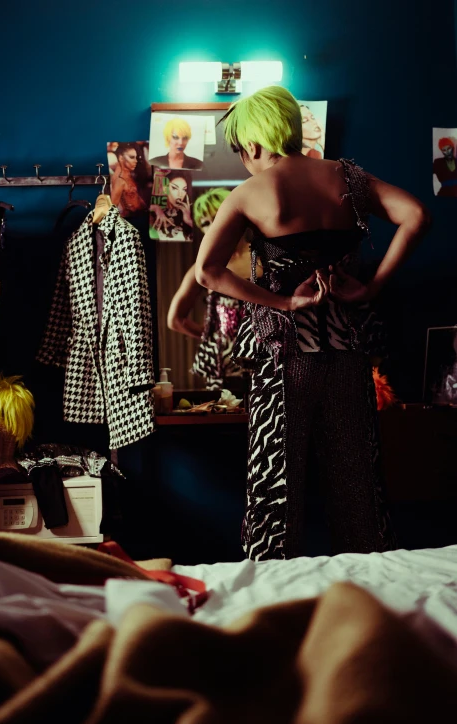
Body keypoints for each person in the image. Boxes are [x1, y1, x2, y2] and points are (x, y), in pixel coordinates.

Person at [195, 85, 431, 561]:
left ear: (256, 143)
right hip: (348, 352)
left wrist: (281, 303)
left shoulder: (251, 193)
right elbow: (415, 215)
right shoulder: (347, 177)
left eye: (241, 151)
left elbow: (208, 271)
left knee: (275, 488)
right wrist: (370, 288)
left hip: (285, 359)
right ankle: (370, 599)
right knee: (357, 486)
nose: (244, 160)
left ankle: (273, 602)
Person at [167, 188, 261, 390]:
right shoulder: (203, 266)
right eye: (205, 223)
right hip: (223, 366)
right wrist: (212, 337)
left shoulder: (263, 258)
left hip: (264, 358)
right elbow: (174, 320)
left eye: (216, 217)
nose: (212, 227)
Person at [150, 171, 193, 241]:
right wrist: (156, 208)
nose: (180, 194)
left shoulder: (190, 210)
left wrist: (188, 220)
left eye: (184, 189)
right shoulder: (156, 210)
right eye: (175, 188)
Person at [110, 143, 148, 217]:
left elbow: (135, 196)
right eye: (132, 157)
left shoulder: (126, 174)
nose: (136, 161)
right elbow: (112, 209)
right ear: (121, 158)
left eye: (136, 157)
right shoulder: (120, 179)